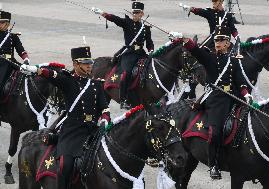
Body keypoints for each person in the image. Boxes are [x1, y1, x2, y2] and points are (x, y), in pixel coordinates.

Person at [21, 46, 111, 189]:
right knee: (65, 164)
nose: (89, 66)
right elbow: (52, 75)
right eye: (85, 63)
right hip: (72, 130)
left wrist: (105, 118)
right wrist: (36, 70)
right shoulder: (68, 81)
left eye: (90, 63)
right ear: (76, 64)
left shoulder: (96, 84)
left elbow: (104, 107)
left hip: (93, 130)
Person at [182, 25, 252, 179]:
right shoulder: (210, 58)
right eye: (216, 40)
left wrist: (246, 94)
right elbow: (196, 51)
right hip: (216, 100)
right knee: (215, 131)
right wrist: (185, 40)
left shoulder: (234, 61)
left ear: (227, 43)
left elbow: (240, 82)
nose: (218, 43)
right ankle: (214, 164)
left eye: (221, 40)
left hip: (233, 97)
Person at [93, 1, 154, 109]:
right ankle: (124, 98)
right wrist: (102, 13)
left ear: (142, 14)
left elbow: (149, 43)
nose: (135, 15)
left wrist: (151, 50)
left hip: (141, 53)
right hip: (129, 54)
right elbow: (115, 19)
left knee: (150, 70)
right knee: (126, 72)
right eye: (134, 13)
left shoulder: (145, 28)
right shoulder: (127, 23)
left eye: (137, 13)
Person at [0, 10, 30, 94]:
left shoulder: (13, 37)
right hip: (0, 64)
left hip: (11, 62)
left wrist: (26, 60)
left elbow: (22, 51)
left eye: (1, 22)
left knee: (29, 74)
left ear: (8, 24)